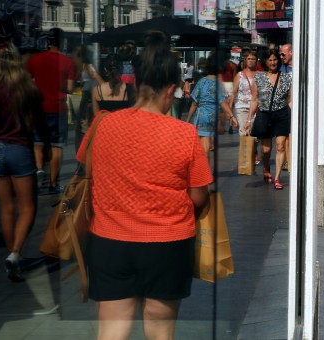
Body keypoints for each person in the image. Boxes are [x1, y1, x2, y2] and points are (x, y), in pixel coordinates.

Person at [77, 31, 212, 339]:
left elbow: (88, 167)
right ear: (171, 90)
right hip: (168, 244)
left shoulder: (102, 125)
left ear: (135, 83)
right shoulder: (185, 134)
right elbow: (199, 197)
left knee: (111, 332)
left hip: (110, 242)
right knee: (160, 334)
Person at [0, 42, 50, 282]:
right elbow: (40, 123)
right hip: (20, 148)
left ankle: (13, 258)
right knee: (28, 207)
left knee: (6, 208)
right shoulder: (27, 87)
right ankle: (15, 254)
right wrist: (45, 147)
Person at [25, 28, 77, 194]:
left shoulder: (34, 60)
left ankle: (40, 169)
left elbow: (27, 83)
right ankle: (53, 184)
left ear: (48, 41)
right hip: (58, 108)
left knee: (38, 142)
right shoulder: (68, 62)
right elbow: (69, 88)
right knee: (57, 146)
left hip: (39, 107)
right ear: (62, 42)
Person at [244, 49, 293, 190]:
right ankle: (266, 167)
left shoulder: (286, 78)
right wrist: (249, 119)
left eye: (275, 59)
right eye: (270, 60)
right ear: (266, 62)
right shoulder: (259, 78)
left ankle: (277, 179)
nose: (273, 62)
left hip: (282, 114)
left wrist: (294, 116)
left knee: (280, 145)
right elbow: (254, 100)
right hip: (265, 114)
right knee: (266, 150)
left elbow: (289, 100)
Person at [185, 57, 237, 154]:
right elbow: (223, 102)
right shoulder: (218, 84)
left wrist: (188, 119)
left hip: (202, 115)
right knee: (207, 141)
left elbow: (194, 103)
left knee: (204, 144)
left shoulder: (201, 82)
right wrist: (232, 116)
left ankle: (204, 166)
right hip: (214, 116)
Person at [72, 45, 104, 153]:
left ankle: (81, 156)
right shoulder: (86, 66)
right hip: (84, 97)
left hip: (83, 97)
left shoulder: (84, 67)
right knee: (83, 126)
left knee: (81, 127)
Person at [91, 54, 134, 119]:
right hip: (122, 128)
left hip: (104, 128)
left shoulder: (96, 91)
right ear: (121, 69)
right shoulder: (130, 89)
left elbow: (96, 118)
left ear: (105, 69)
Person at [230, 50, 258, 137]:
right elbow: (233, 93)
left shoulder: (260, 75)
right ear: (245, 60)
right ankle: (246, 150)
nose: (250, 61)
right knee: (244, 134)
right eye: (248, 59)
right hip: (241, 107)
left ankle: (253, 151)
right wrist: (230, 112)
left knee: (254, 135)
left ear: (256, 61)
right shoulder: (240, 75)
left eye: (253, 59)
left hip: (256, 108)